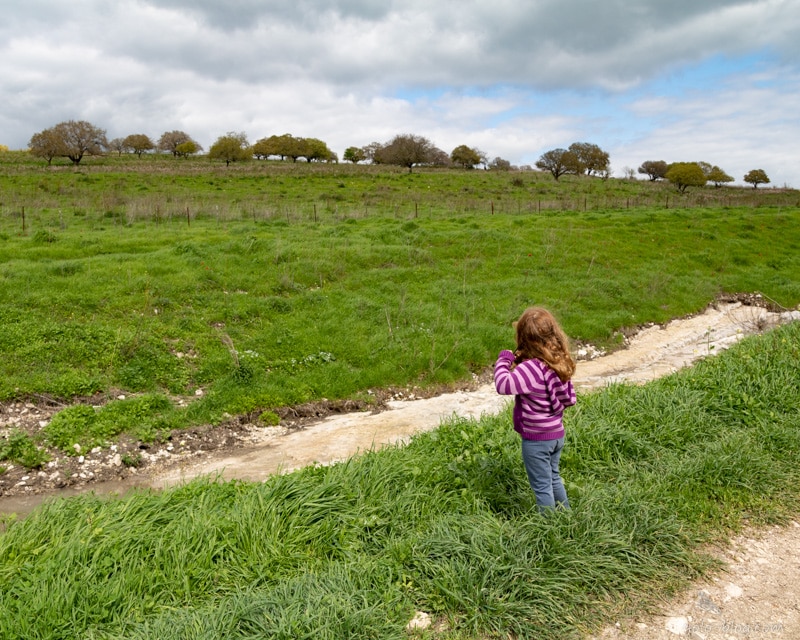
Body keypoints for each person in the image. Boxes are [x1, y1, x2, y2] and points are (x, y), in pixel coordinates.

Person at [494, 307, 576, 512]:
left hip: (537, 439)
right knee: (554, 477)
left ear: (523, 337)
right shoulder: (558, 361)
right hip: (556, 433)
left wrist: (503, 360)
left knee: (541, 486)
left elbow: (503, 385)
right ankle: (566, 515)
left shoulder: (531, 369)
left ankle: (548, 529)